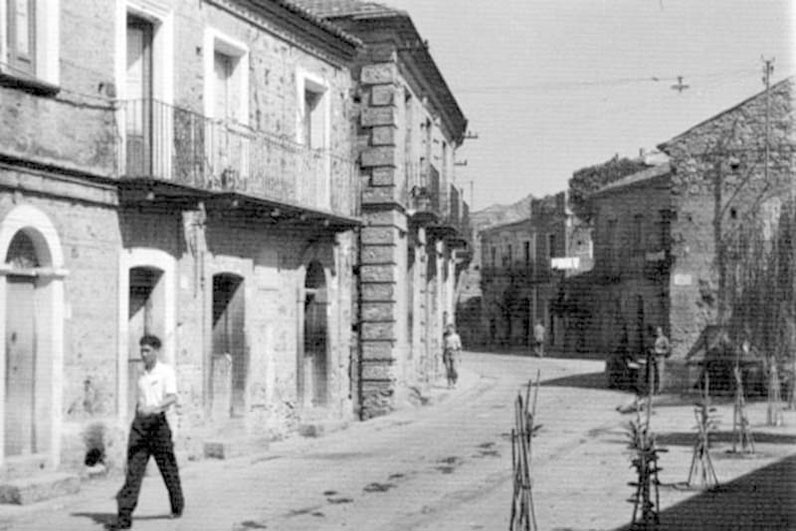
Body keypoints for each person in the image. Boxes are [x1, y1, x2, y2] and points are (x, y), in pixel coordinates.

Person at [111, 335, 184, 529]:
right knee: (134, 471)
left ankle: (177, 505)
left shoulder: (166, 372)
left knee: (168, 468)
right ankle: (124, 518)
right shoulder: (141, 374)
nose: (143, 354)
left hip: (158, 426)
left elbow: (172, 397)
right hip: (140, 426)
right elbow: (141, 399)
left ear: (156, 351)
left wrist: (154, 408)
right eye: (142, 350)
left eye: (147, 351)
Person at [650, 326, 670, 394]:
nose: (658, 333)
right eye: (657, 331)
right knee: (654, 374)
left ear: (662, 332)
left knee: (660, 374)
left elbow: (668, 350)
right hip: (654, 358)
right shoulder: (654, 339)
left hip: (661, 358)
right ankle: (654, 389)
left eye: (659, 331)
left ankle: (660, 390)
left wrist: (661, 352)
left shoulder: (664, 339)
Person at [443, 324, 462, 389]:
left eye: (451, 329)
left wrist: (460, 356)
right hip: (447, 352)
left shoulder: (456, 336)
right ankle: (449, 383)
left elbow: (459, 346)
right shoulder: (446, 337)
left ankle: (455, 382)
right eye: (448, 329)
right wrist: (443, 354)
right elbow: (444, 346)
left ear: (453, 329)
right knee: (448, 368)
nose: (449, 330)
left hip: (454, 352)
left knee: (454, 368)